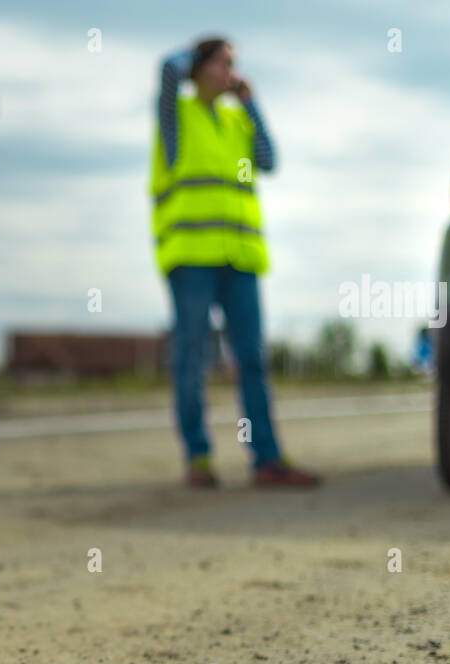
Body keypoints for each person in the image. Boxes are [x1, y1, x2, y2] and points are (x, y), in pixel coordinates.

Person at [151, 37, 319, 488]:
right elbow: (167, 70)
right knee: (192, 358)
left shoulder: (235, 119)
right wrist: (195, 56)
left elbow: (268, 160)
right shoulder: (176, 116)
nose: (232, 72)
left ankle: (266, 459)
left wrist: (252, 105)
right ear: (199, 68)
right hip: (191, 258)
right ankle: (198, 458)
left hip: (240, 257)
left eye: (234, 64)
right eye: (223, 63)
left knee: (252, 360)